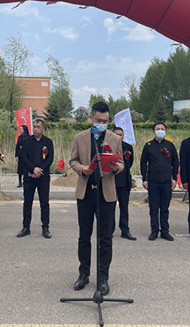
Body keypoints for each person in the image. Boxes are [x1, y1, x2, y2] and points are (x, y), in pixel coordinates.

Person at [69, 101, 123, 296]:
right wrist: (82, 169)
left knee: (105, 237)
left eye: (105, 121)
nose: (102, 124)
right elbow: (73, 160)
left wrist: (117, 168)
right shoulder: (80, 137)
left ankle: (103, 277)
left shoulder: (115, 139)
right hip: (86, 192)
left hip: (106, 192)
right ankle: (83, 274)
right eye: (98, 120)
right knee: (84, 236)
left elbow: (121, 163)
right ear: (91, 118)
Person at [140, 122, 179, 241]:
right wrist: (144, 179)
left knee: (165, 208)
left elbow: (175, 163)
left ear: (165, 131)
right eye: (158, 129)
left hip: (167, 181)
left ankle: (165, 231)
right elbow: (143, 163)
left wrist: (174, 178)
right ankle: (154, 230)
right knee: (153, 208)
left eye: (162, 129)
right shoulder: (148, 146)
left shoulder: (170, 145)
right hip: (153, 181)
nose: (160, 131)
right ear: (154, 132)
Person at [17, 119, 54, 239]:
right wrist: (33, 169)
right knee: (27, 203)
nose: (36, 129)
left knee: (44, 203)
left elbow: (50, 159)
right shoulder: (26, 141)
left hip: (43, 177)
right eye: (34, 127)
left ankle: (45, 227)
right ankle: (26, 227)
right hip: (29, 176)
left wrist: (40, 170)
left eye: (38, 127)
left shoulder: (48, 142)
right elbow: (23, 157)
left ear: (43, 128)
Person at [112, 127, 136, 241]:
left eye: (120, 135)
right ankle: (109, 230)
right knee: (110, 208)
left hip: (124, 182)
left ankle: (125, 230)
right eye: (116, 134)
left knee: (124, 208)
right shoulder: (107, 147)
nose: (118, 137)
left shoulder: (128, 147)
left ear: (123, 136)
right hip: (111, 181)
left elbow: (129, 163)